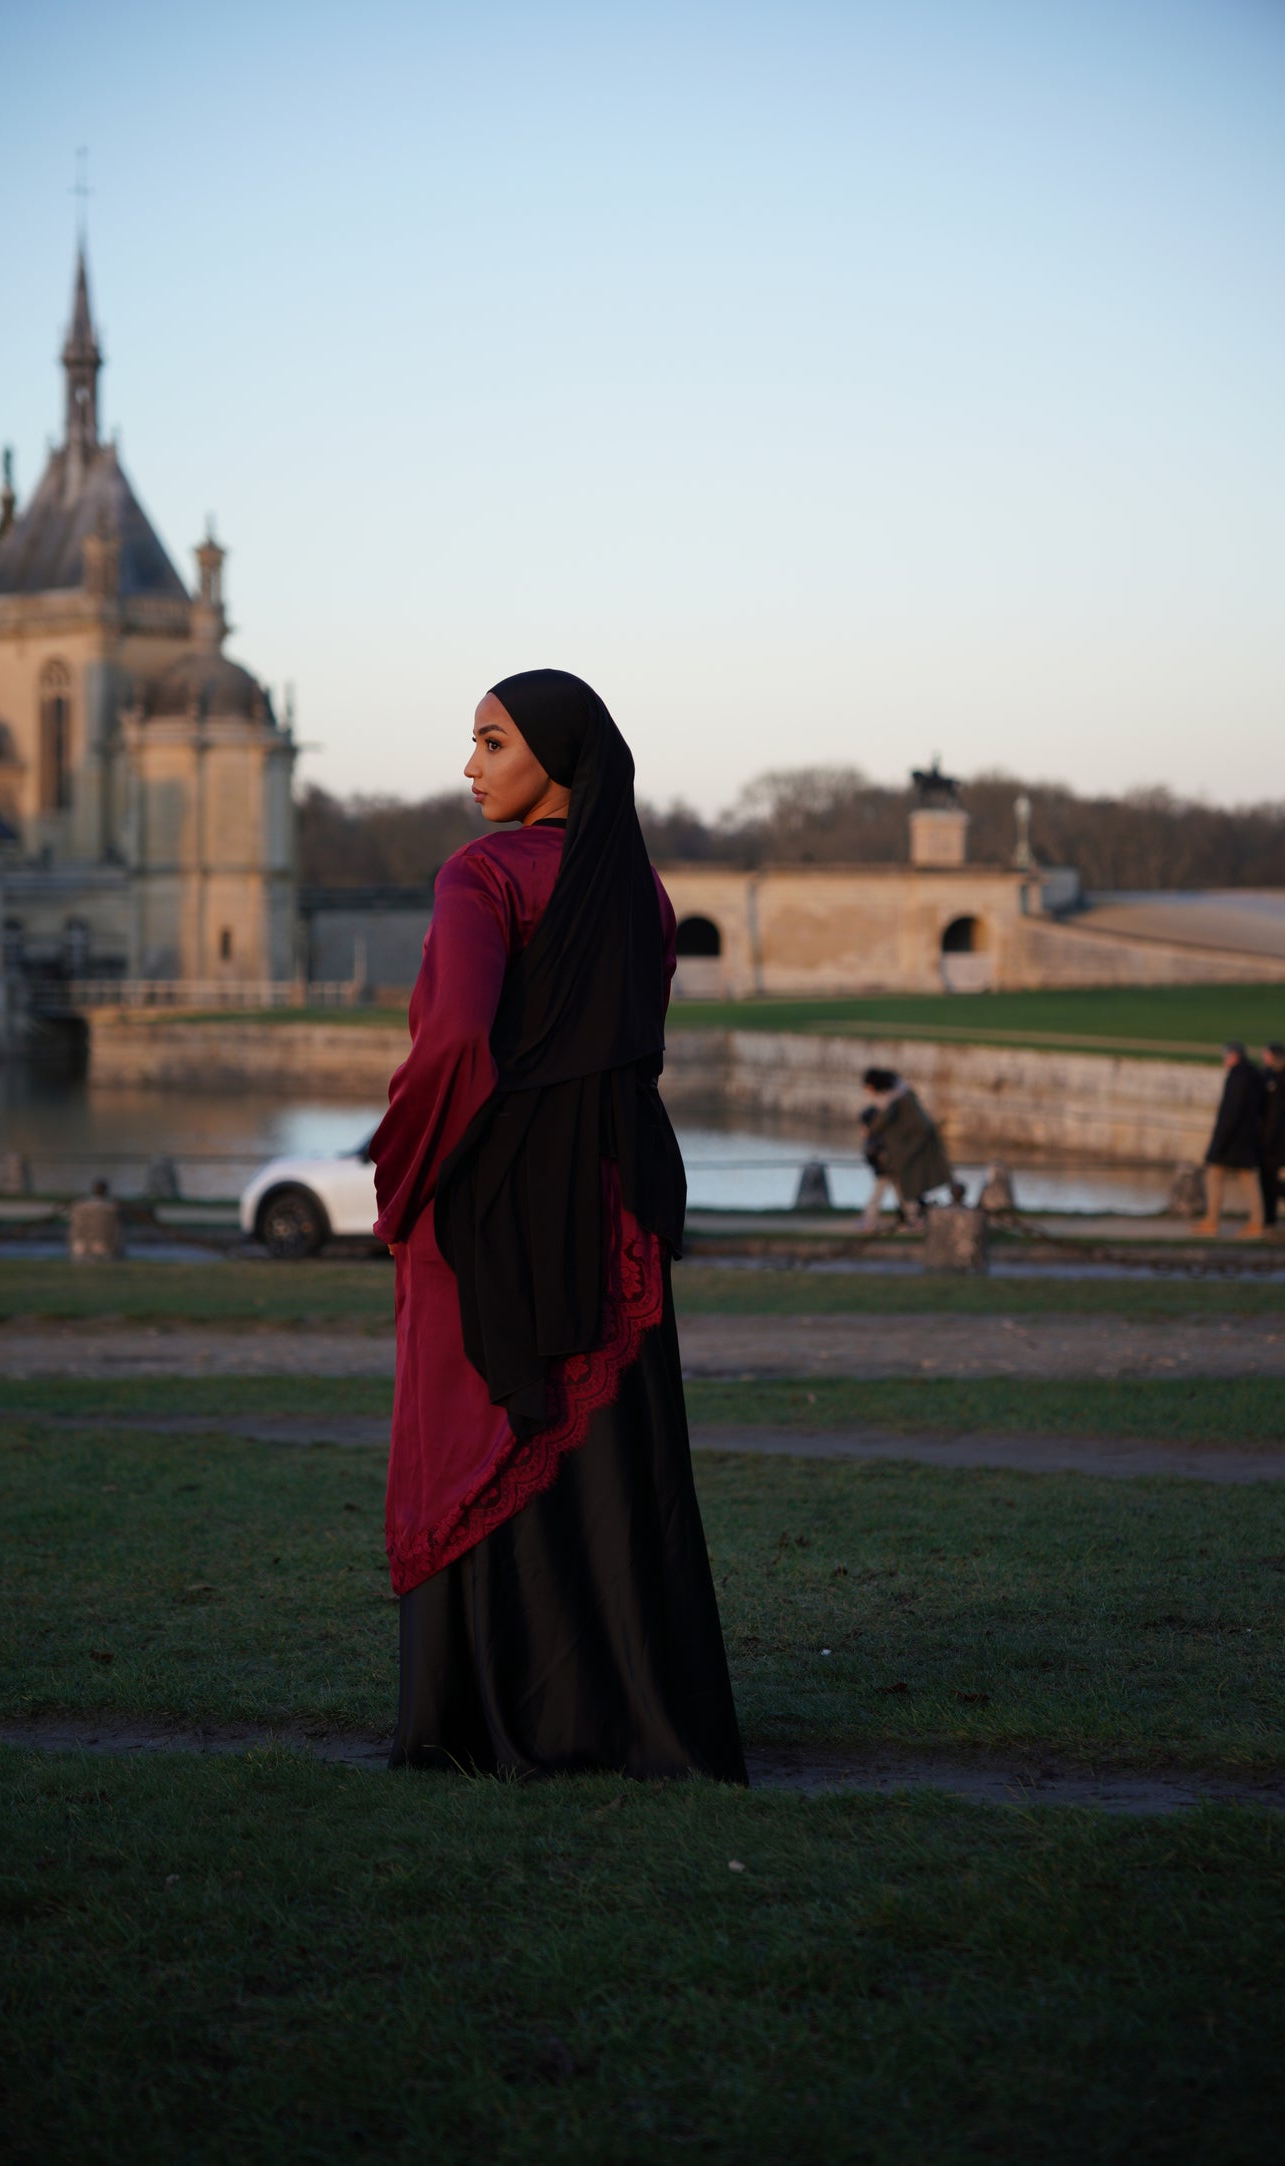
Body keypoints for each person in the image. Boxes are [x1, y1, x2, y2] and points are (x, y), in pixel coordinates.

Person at [369, 668, 746, 1785]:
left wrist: (402, 1173)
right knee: (607, 1458)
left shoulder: (479, 873)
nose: (471, 767)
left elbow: (452, 1046)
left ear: (554, 757)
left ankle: (482, 1712)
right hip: (615, 1199)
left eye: (491, 743)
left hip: (491, 1202)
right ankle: (623, 1710)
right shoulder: (640, 890)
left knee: (471, 1431)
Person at [858, 1067, 961, 1227]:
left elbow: (882, 1123)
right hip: (898, 1155)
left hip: (896, 1155)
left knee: (895, 1189)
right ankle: (907, 1219)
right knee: (902, 1190)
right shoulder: (903, 1097)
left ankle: (872, 1221)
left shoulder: (895, 1101)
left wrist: (869, 1130)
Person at [1198, 1041, 1265, 1238]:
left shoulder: (1237, 1077)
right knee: (1249, 1179)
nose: (1224, 1059)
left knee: (1214, 1176)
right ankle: (1256, 1222)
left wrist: (1220, 1142)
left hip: (1233, 1140)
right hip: (1247, 1137)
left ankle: (1212, 1221)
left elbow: (1230, 1112)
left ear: (1234, 1056)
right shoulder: (1254, 1075)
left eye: (1226, 1055)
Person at [1260, 1041, 1285, 1228]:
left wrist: (1266, 1139)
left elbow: (1275, 1113)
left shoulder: (1281, 1079)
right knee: (1269, 1179)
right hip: (1280, 1136)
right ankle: (1270, 1219)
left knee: (1269, 1179)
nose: (1263, 1057)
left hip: (1276, 1138)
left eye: (1266, 1054)